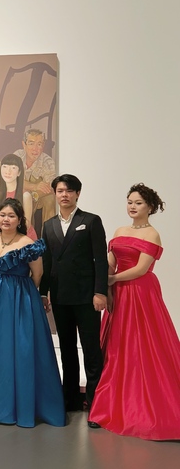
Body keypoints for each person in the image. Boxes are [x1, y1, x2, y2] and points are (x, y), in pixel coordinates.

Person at [0, 198, 66, 427]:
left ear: (20, 220)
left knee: (20, 347)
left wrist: (22, 295)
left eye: (11, 216)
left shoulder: (28, 243)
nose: (6, 219)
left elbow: (37, 275)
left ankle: (20, 405)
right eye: (3, 215)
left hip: (19, 299)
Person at [89, 184, 180, 440]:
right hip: (118, 291)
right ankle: (109, 403)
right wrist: (106, 285)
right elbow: (110, 262)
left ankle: (144, 405)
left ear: (150, 207)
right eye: (129, 202)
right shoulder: (120, 231)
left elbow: (141, 269)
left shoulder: (153, 234)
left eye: (138, 203)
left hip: (140, 292)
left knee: (143, 344)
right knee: (118, 346)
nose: (132, 206)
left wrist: (112, 280)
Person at [40, 174, 108, 423]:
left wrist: (100, 292)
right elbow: (47, 262)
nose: (64, 195)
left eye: (69, 190)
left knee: (91, 350)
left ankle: (96, 404)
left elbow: (100, 259)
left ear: (78, 193)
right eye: (60, 191)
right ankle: (70, 400)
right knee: (67, 349)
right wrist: (43, 293)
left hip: (87, 297)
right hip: (60, 296)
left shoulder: (90, 221)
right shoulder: (48, 225)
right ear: (55, 194)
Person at [14, 129, 57, 228]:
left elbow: (51, 186)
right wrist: (34, 186)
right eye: (31, 143)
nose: (35, 149)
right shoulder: (17, 156)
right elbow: (13, 179)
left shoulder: (48, 161)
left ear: (43, 146)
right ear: (24, 144)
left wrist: (34, 195)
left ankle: (48, 234)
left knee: (50, 199)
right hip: (20, 193)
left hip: (38, 196)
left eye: (39, 144)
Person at [0, 154, 37, 240]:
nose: (8, 171)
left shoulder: (25, 196)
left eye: (13, 168)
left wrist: (9, 228)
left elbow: (26, 224)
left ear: (19, 172)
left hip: (24, 238)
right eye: (4, 167)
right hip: (6, 236)